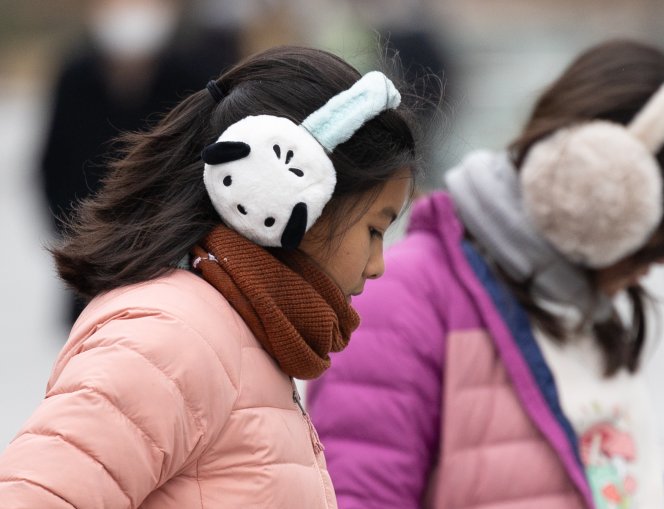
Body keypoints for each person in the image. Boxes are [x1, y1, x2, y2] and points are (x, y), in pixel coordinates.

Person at [307, 39, 664, 509]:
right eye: (663, 236)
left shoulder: (579, 306)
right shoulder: (405, 301)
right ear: (604, 182)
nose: (660, 262)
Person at [0, 45, 419, 507]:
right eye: (375, 229)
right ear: (286, 193)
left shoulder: (233, 333)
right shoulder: (171, 341)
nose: (379, 264)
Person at [40, 0, 239, 325]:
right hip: (93, 263)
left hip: (180, 266)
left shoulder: (197, 76)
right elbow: (52, 166)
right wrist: (79, 239)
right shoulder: (74, 77)